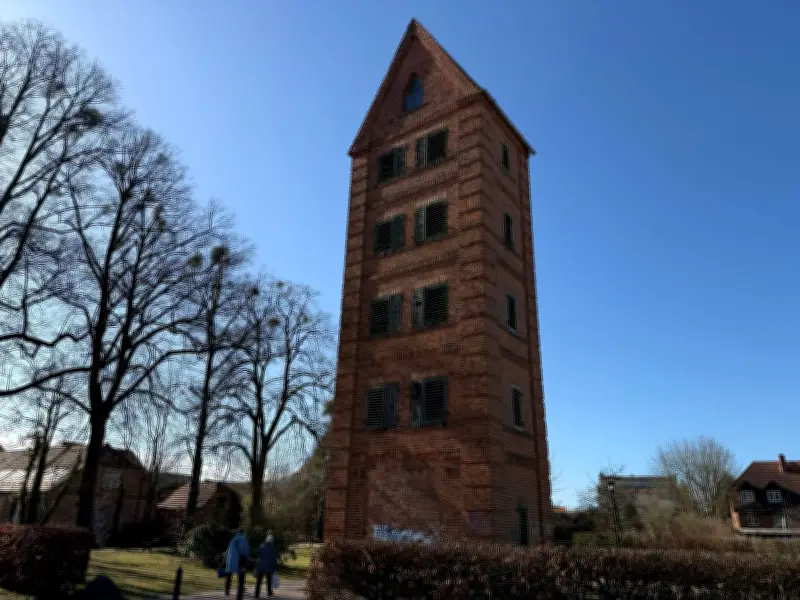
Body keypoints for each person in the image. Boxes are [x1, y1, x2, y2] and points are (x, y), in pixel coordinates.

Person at [224, 527, 251, 596]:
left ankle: (227, 591)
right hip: (239, 561)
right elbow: (246, 551)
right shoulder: (244, 539)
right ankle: (240, 593)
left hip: (230, 561)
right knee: (241, 578)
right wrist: (247, 559)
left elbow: (227, 551)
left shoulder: (233, 539)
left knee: (229, 577)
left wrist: (226, 559)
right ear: (243, 532)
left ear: (237, 532)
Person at [254, 532, 278, 598]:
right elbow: (274, 559)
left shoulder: (261, 546)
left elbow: (258, 555)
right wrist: (274, 567)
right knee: (269, 581)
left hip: (261, 566)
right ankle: (269, 593)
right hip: (269, 567)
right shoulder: (273, 549)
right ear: (272, 541)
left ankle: (256, 594)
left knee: (259, 581)